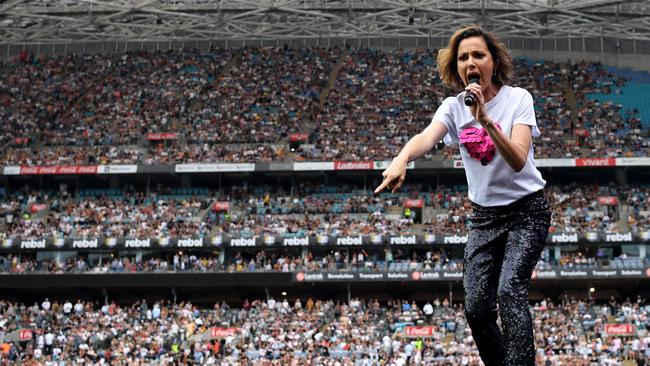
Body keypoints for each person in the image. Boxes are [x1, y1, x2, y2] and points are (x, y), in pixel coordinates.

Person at [375, 25, 551, 365]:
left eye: (478, 55)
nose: (471, 61)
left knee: (508, 291)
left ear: (493, 62)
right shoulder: (454, 107)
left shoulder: (518, 99)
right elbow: (426, 137)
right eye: (463, 57)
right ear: (457, 68)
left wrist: (484, 120)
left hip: (526, 212)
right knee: (475, 306)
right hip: (485, 218)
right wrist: (401, 159)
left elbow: (517, 159)